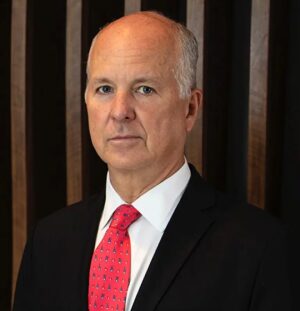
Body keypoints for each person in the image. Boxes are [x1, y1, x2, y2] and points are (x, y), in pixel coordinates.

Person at [13, 11, 291, 311]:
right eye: (104, 89)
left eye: (144, 89)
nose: (120, 112)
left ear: (190, 108)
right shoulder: (48, 241)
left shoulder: (261, 248)